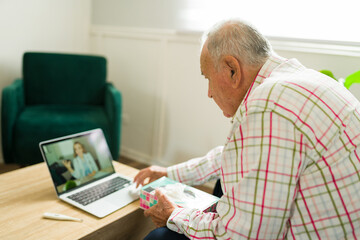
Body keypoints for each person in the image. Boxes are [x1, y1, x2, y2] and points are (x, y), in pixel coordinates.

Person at [134, 19, 360, 239]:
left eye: (208, 78)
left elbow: (243, 235)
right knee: (223, 185)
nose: (209, 92)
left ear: (232, 69)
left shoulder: (269, 104)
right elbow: (237, 156)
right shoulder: (299, 79)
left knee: (161, 236)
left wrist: (175, 215)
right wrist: (170, 173)